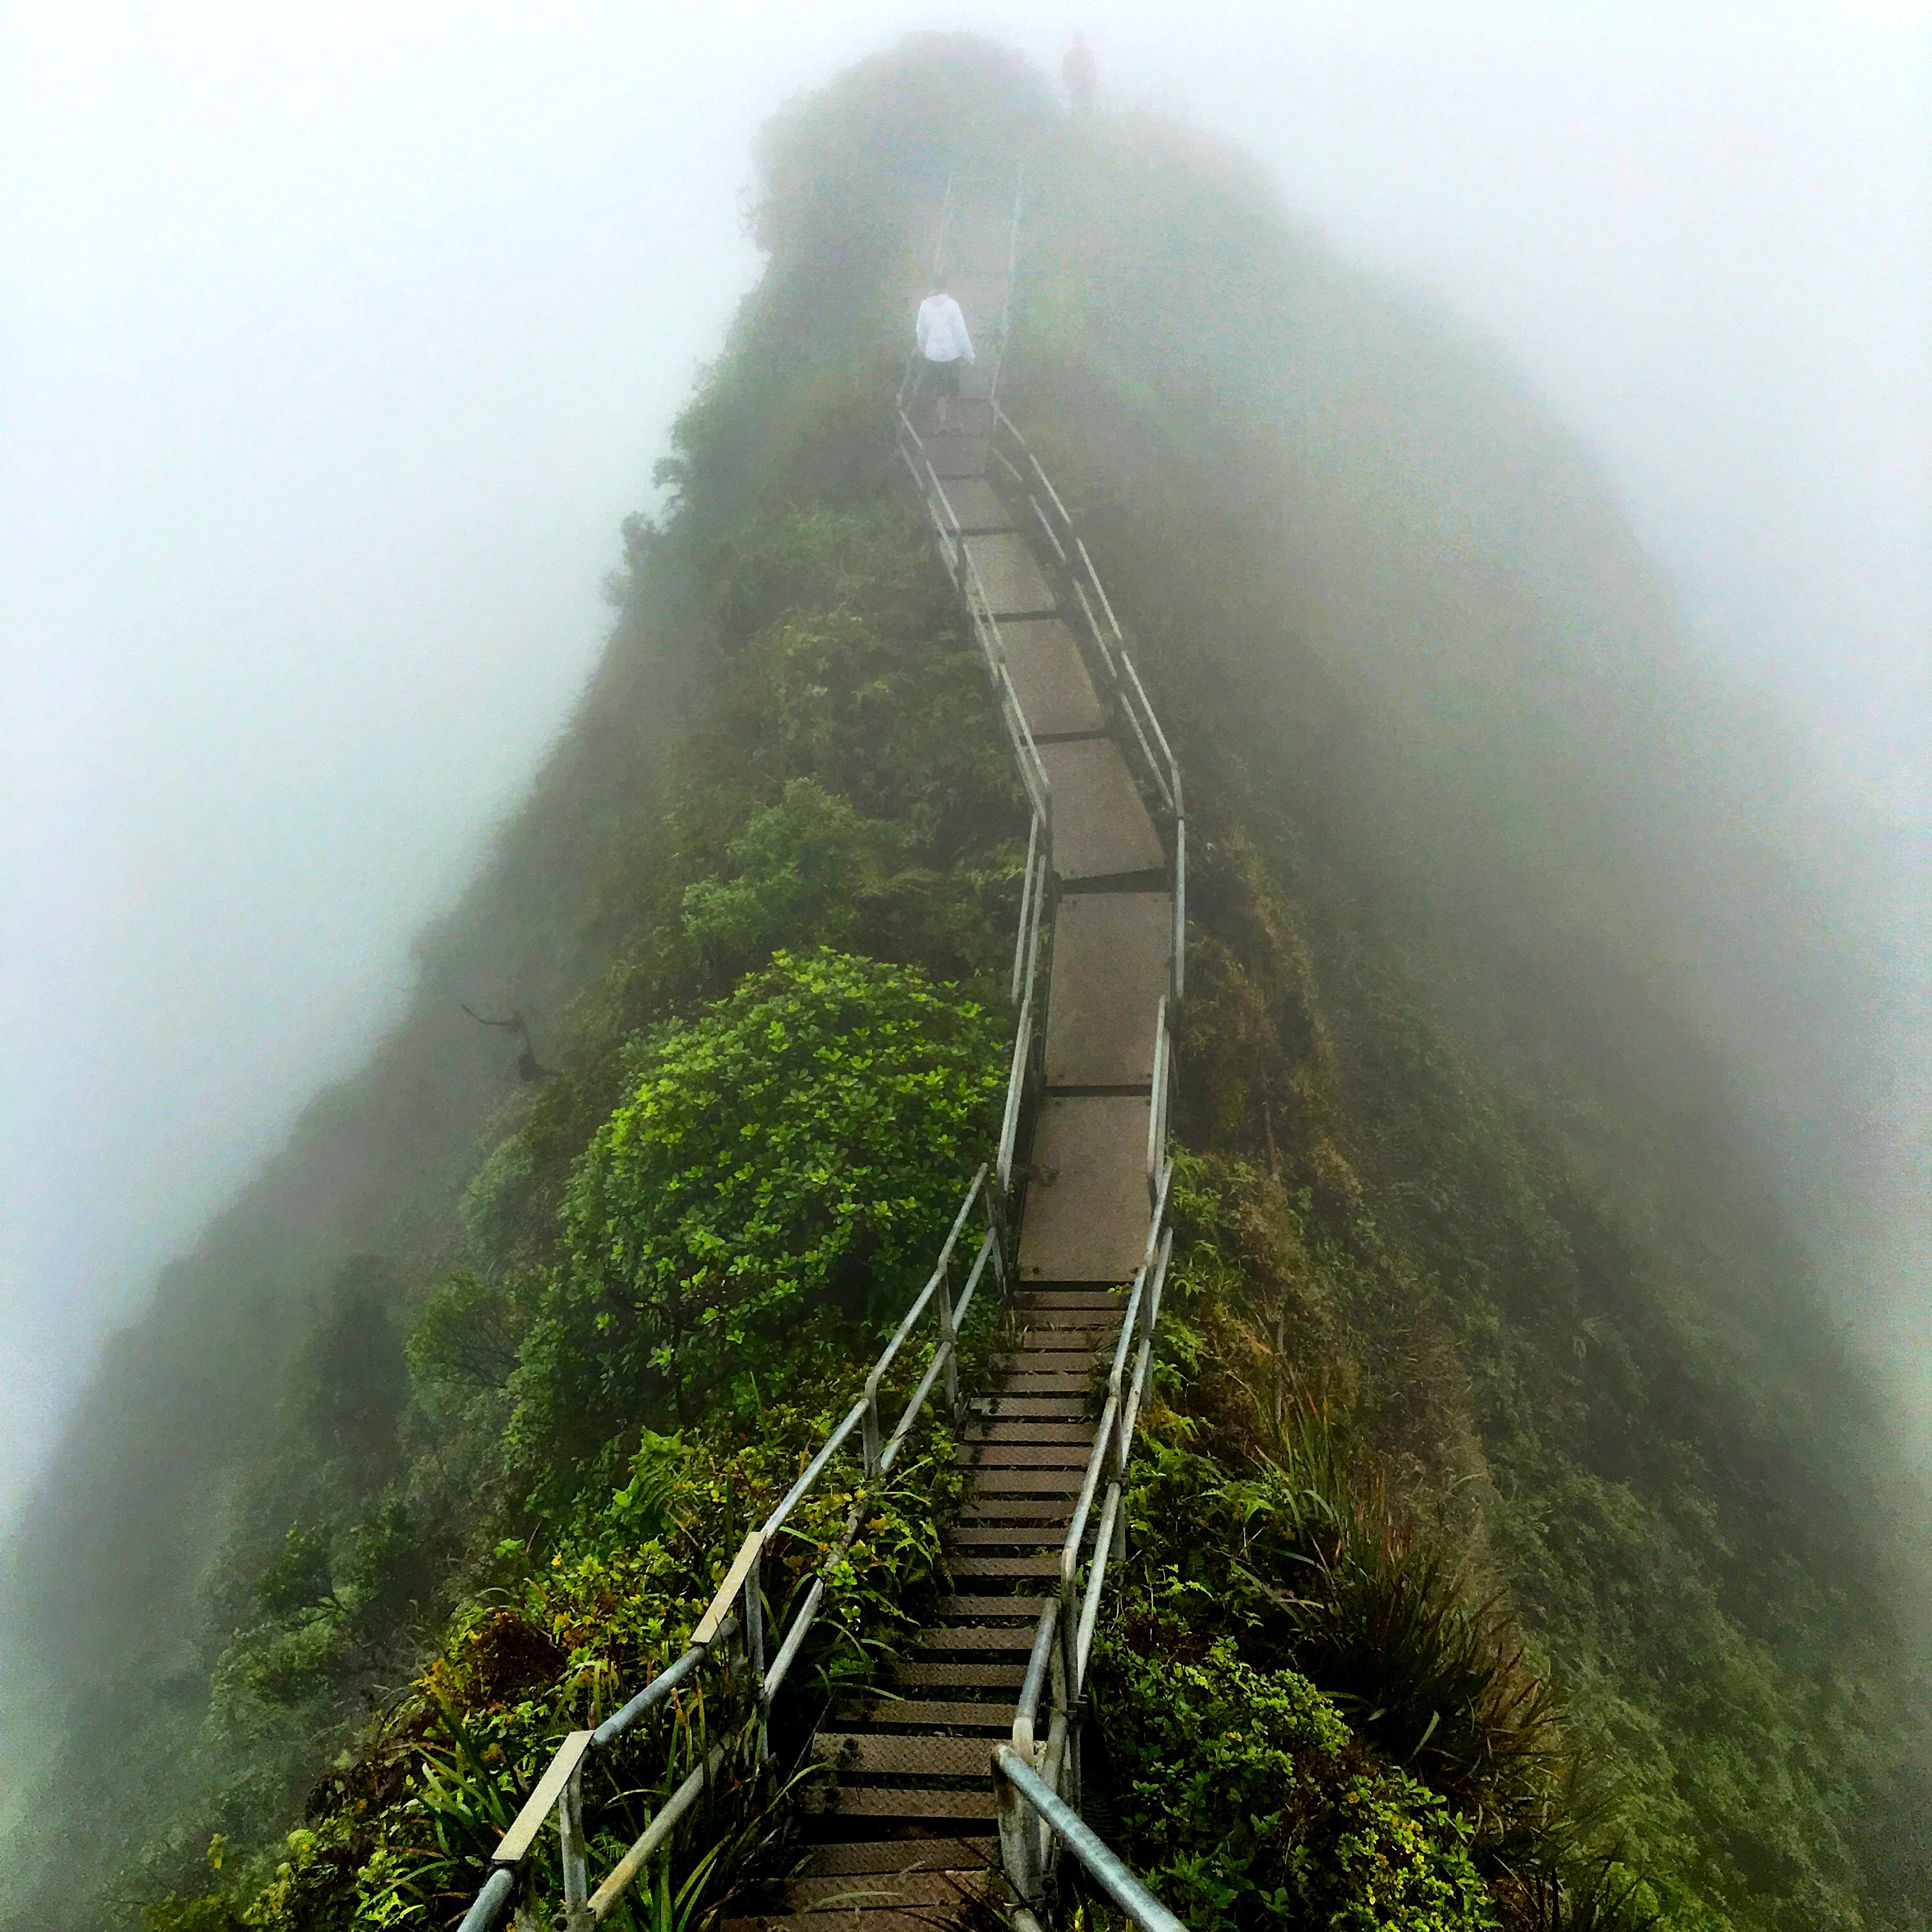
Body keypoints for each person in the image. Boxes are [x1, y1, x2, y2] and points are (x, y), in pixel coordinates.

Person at [914, 277, 976, 433]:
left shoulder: (924, 306)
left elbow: (921, 331)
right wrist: (970, 354)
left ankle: (942, 423)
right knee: (954, 389)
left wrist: (923, 349)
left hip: (933, 354)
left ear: (932, 287)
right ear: (945, 288)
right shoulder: (952, 306)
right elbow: (961, 331)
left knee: (939, 391)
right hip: (952, 353)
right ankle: (955, 423)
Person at [1062, 32, 1097, 113]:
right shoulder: (1069, 54)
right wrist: (1067, 83)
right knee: (1075, 105)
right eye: (1076, 41)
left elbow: (1093, 69)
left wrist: (1093, 84)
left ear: (1083, 42)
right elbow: (1064, 70)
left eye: (1079, 41)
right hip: (1074, 84)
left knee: (1088, 106)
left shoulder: (1088, 53)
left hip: (1086, 84)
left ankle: (1089, 121)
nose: (1077, 43)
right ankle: (1075, 122)